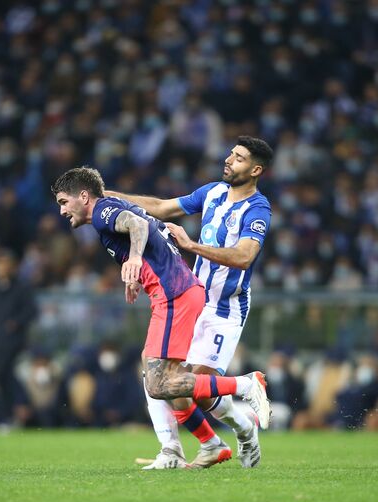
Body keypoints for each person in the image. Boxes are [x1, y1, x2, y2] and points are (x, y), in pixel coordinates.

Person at [52, 166, 270, 469]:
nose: (62, 210)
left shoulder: (103, 212)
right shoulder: (110, 210)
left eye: (64, 202)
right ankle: (200, 446)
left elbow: (140, 226)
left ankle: (243, 387)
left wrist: (137, 258)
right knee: (153, 373)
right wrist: (137, 273)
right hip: (177, 294)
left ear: (83, 196)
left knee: (159, 384)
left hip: (175, 296)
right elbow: (161, 230)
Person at [106, 136, 273, 468]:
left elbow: (244, 256)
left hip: (225, 308)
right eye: (230, 153)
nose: (228, 159)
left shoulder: (257, 209)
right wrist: (110, 197)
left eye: (238, 158)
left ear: (255, 170)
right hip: (192, 296)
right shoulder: (211, 192)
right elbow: (160, 206)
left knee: (194, 385)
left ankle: (241, 429)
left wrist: (191, 245)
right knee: (160, 375)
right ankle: (181, 448)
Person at [0, 251, 37, 427]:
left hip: (15, 343)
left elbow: (31, 312)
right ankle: (12, 414)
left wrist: (16, 323)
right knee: (2, 378)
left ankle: (15, 413)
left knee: (5, 376)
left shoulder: (22, 288)